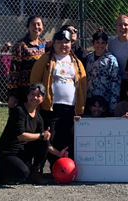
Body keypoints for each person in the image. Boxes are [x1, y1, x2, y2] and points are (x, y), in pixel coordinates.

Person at [30, 28, 87, 168]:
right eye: (60, 42)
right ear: (53, 43)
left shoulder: (77, 63)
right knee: (48, 138)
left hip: (70, 110)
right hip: (50, 108)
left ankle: (63, 167)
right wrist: (36, 105)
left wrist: (80, 110)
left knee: (67, 139)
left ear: (71, 44)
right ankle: (37, 170)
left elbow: (83, 87)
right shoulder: (45, 60)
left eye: (66, 42)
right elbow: (35, 81)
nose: (63, 45)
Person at [0, 83, 51, 185]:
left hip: (21, 152)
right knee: (22, 174)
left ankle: (34, 171)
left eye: (38, 95)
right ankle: (6, 173)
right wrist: (41, 135)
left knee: (44, 142)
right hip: (7, 152)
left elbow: (44, 141)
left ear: (43, 99)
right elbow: (21, 136)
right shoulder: (19, 111)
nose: (35, 97)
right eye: (32, 94)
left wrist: (59, 153)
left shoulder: (38, 118)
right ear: (27, 95)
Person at [7, 16, 47, 108]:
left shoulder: (44, 46)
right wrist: (12, 95)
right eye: (33, 24)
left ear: (43, 27)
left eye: (39, 24)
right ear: (28, 27)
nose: (36, 27)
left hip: (40, 90)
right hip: (24, 90)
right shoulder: (20, 45)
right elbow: (14, 70)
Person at [84, 28, 120, 112]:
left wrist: (113, 106)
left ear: (106, 44)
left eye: (103, 43)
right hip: (90, 100)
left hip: (104, 102)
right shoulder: (89, 58)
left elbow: (115, 84)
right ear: (93, 43)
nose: (100, 45)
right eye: (97, 42)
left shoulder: (111, 60)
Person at [107, 14, 128, 87]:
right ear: (116, 27)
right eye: (120, 25)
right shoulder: (112, 42)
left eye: (126, 25)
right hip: (117, 81)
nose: (123, 27)